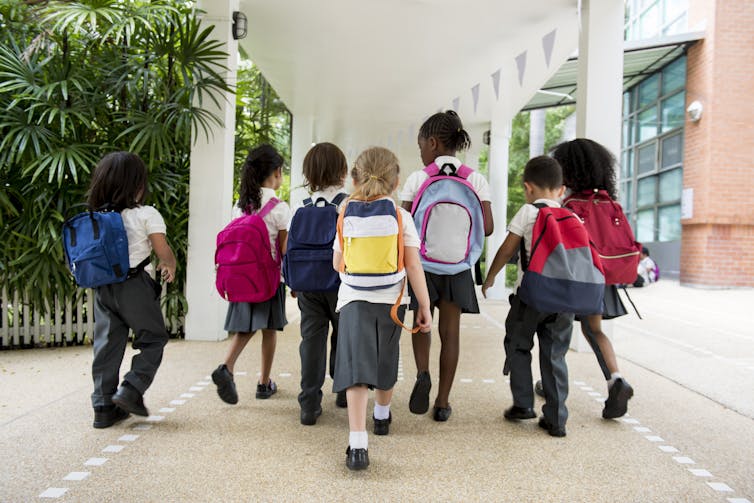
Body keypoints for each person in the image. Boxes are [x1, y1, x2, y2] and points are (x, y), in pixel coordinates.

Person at [332, 147, 432, 470]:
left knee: (356, 370)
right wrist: (424, 305)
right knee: (386, 358)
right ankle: (382, 416)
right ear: (396, 182)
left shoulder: (345, 210)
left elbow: (338, 263)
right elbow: (414, 266)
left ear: (354, 178)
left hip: (353, 300)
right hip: (392, 301)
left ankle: (358, 444)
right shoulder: (401, 216)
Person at [399, 110, 494, 422]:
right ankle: (442, 401)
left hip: (423, 266)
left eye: (421, 147)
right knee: (450, 333)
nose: (422, 154)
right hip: (459, 267)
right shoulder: (475, 179)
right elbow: (489, 227)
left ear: (433, 142)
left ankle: (422, 373)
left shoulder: (419, 178)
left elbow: (403, 223)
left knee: (421, 323)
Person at [482, 156, 574, 437]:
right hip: (564, 299)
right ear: (561, 190)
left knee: (518, 345)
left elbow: (508, 249)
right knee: (555, 354)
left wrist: (491, 276)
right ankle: (556, 418)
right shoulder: (572, 216)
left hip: (530, 296)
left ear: (528, 187)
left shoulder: (527, 212)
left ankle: (523, 404)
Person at [87, 151, 177, 428]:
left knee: (107, 345)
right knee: (153, 339)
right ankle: (131, 389)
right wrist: (170, 265)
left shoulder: (94, 216)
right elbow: (163, 252)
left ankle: (103, 408)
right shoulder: (146, 214)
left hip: (102, 287)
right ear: (137, 184)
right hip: (134, 286)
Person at [551, 138, 634, 419]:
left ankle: (550, 385)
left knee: (556, 333)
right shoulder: (609, 203)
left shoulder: (570, 205)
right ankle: (616, 379)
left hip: (575, 281)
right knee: (594, 330)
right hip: (605, 279)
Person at [211, 145, 291, 404]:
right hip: (268, 278)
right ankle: (256, 379)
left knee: (246, 328)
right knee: (268, 330)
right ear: (277, 173)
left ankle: (241, 372)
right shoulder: (279, 208)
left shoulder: (241, 205)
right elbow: (284, 249)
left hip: (241, 275)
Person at [290, 142, 349, 425]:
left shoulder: (301, 206)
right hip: (341, 283)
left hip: (308, 284)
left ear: (308, 174)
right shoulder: (348, 204)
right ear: (342, 172)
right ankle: (343, 389)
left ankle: (309, 403)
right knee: (344, 336)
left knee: (311, 341)